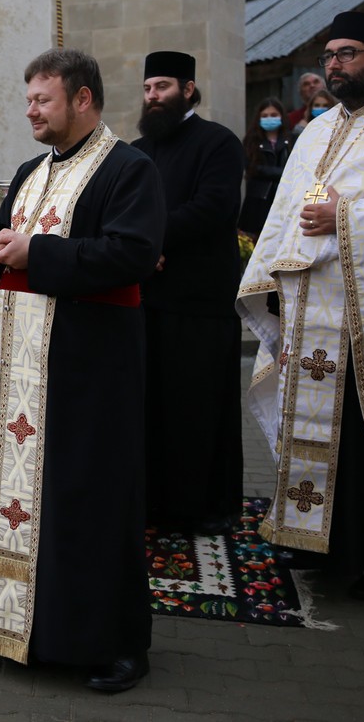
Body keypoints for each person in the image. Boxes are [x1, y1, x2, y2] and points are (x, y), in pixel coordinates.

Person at [0, 48, 164, 692]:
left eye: (42, 100)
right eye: (28, 100)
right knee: (26, 504)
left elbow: (132, 255)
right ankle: (25, 631)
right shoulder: (30, 171)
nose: (31, 111)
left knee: (91, 502)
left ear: (82, 99)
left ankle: (115, 645)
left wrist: (35, 252)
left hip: (90, 371)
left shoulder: (128, 169)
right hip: (20, 372)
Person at [238, 10, 364, 600]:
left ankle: (360, 558)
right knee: (309, 432)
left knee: (357, 440)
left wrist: (346, 213)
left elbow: (335, 209)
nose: (335, 65)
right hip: (307, 309)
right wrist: (270, 294)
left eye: (348, 54)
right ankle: (309, 540)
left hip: (359, 321)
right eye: (329, 56)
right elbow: (282, 215)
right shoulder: (315, 133)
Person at [131, 51, 245, 535]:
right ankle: (154, 500)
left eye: (162, 86)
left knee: (198, 406)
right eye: (147, 88)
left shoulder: (218, 142)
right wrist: (139, 246)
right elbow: (126, 208)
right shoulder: (139, 150)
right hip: (148, 299)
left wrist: (151, 240)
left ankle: (206, 507)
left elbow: (214, 207)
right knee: (152, 405)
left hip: (200, 300)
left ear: (188, 89)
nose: (153, 96)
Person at [238, 97, 294, 239]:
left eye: (274, 115)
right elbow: (252, 168)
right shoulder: (251, 141)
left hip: (284, 198)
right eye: (265, 116)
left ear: (281, 116)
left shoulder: (291, 139)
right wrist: (283, 172)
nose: (269, 119)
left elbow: (296, 168)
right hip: (258, 201)